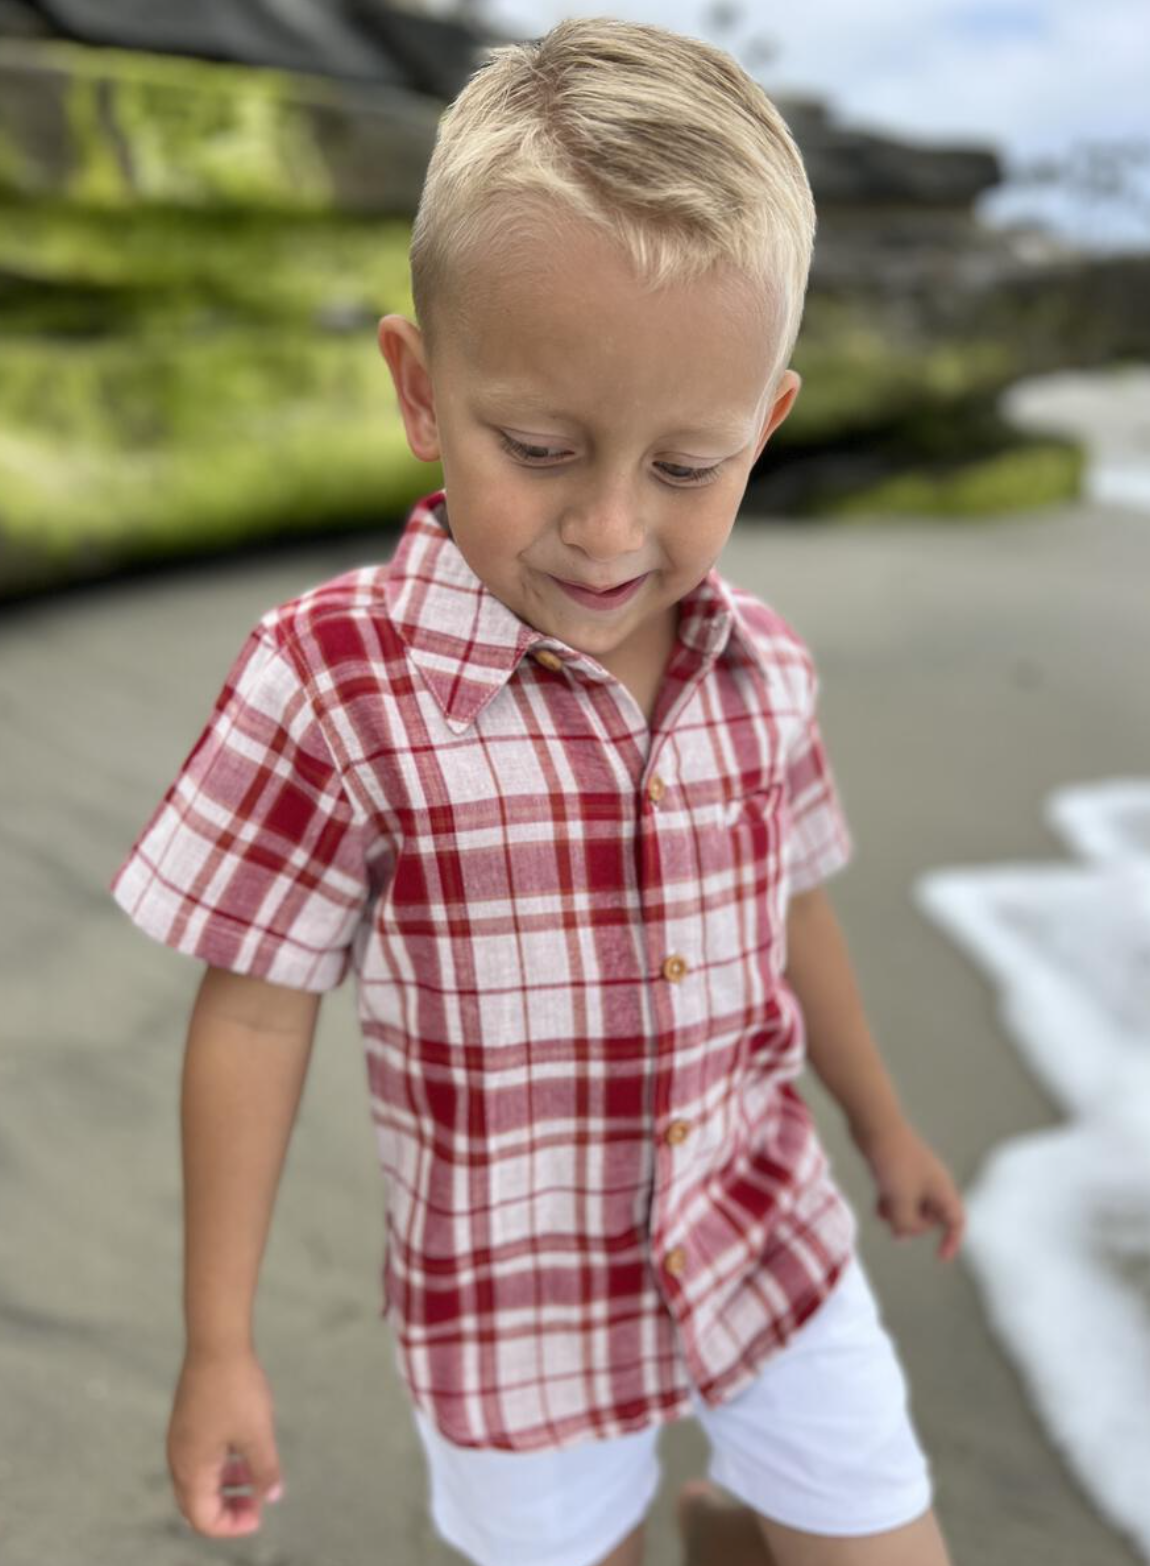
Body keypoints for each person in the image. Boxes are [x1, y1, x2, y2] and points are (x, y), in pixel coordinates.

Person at [108, 17, 967, 1566]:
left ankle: (735, 1520)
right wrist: (216, 1341)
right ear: (422, 390)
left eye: (687, 464)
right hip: (514, 1314)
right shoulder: (332, 682)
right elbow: (249, 1010)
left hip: (766, 1237)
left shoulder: (757, 664)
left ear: (763, 428)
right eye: (541, 445)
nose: (607, 527)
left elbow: (794, 907)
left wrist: (883, 1123)